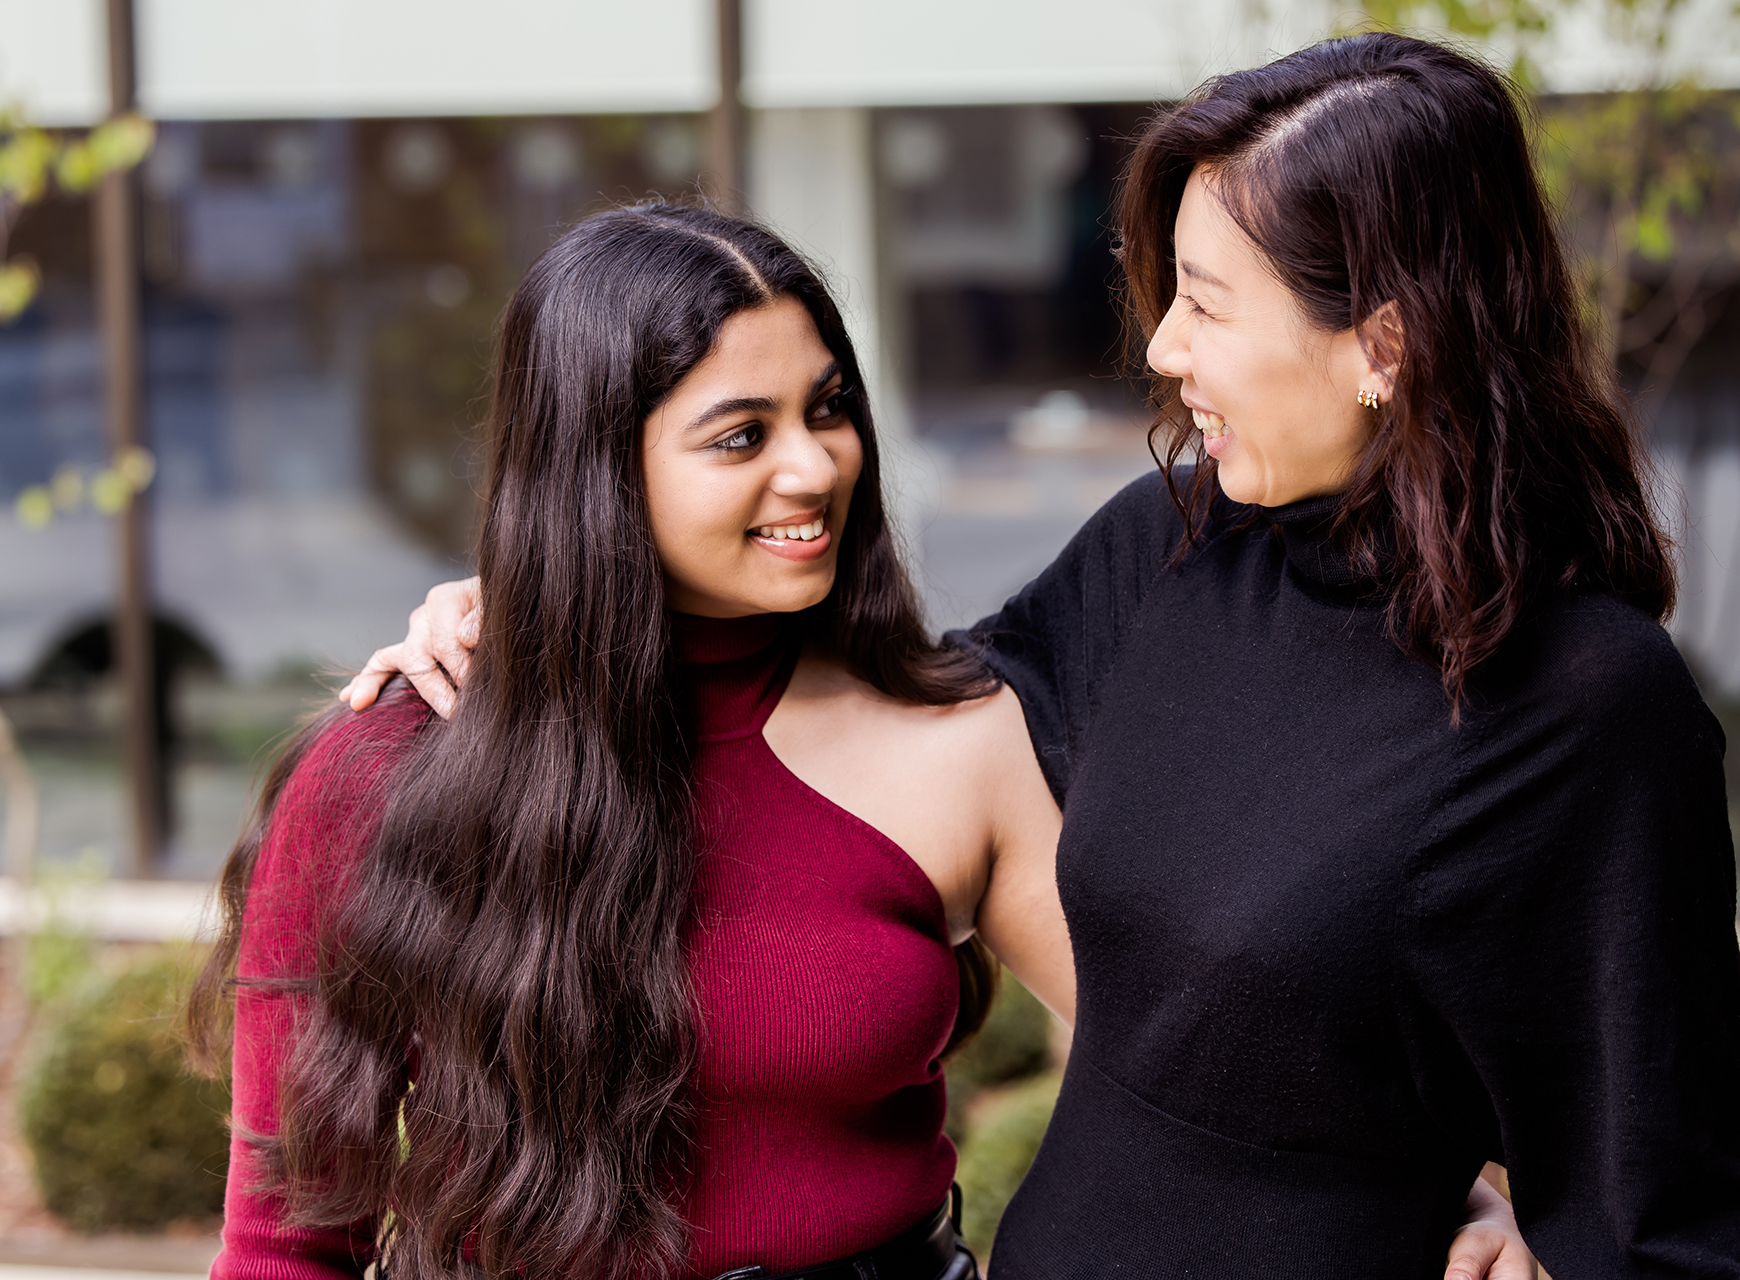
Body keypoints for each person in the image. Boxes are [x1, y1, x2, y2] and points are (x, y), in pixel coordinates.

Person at [348, 31, 1740, 1280]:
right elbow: (888, 715)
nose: (1165, 346)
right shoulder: (1176, 546)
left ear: (1385, 341)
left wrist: (1505, 1222)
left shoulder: (1585, 711)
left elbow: (1656, 1192)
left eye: (1207, 300)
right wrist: (552, 594)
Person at [201, 203, 1531, 1280]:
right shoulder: (379, 778)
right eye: (742, 435)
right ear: (595, 474)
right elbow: (283, 1245)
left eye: (828, 409)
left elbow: (1213, 1052)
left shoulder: (954, 736)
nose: (816, 468)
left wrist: (1465, 1201)